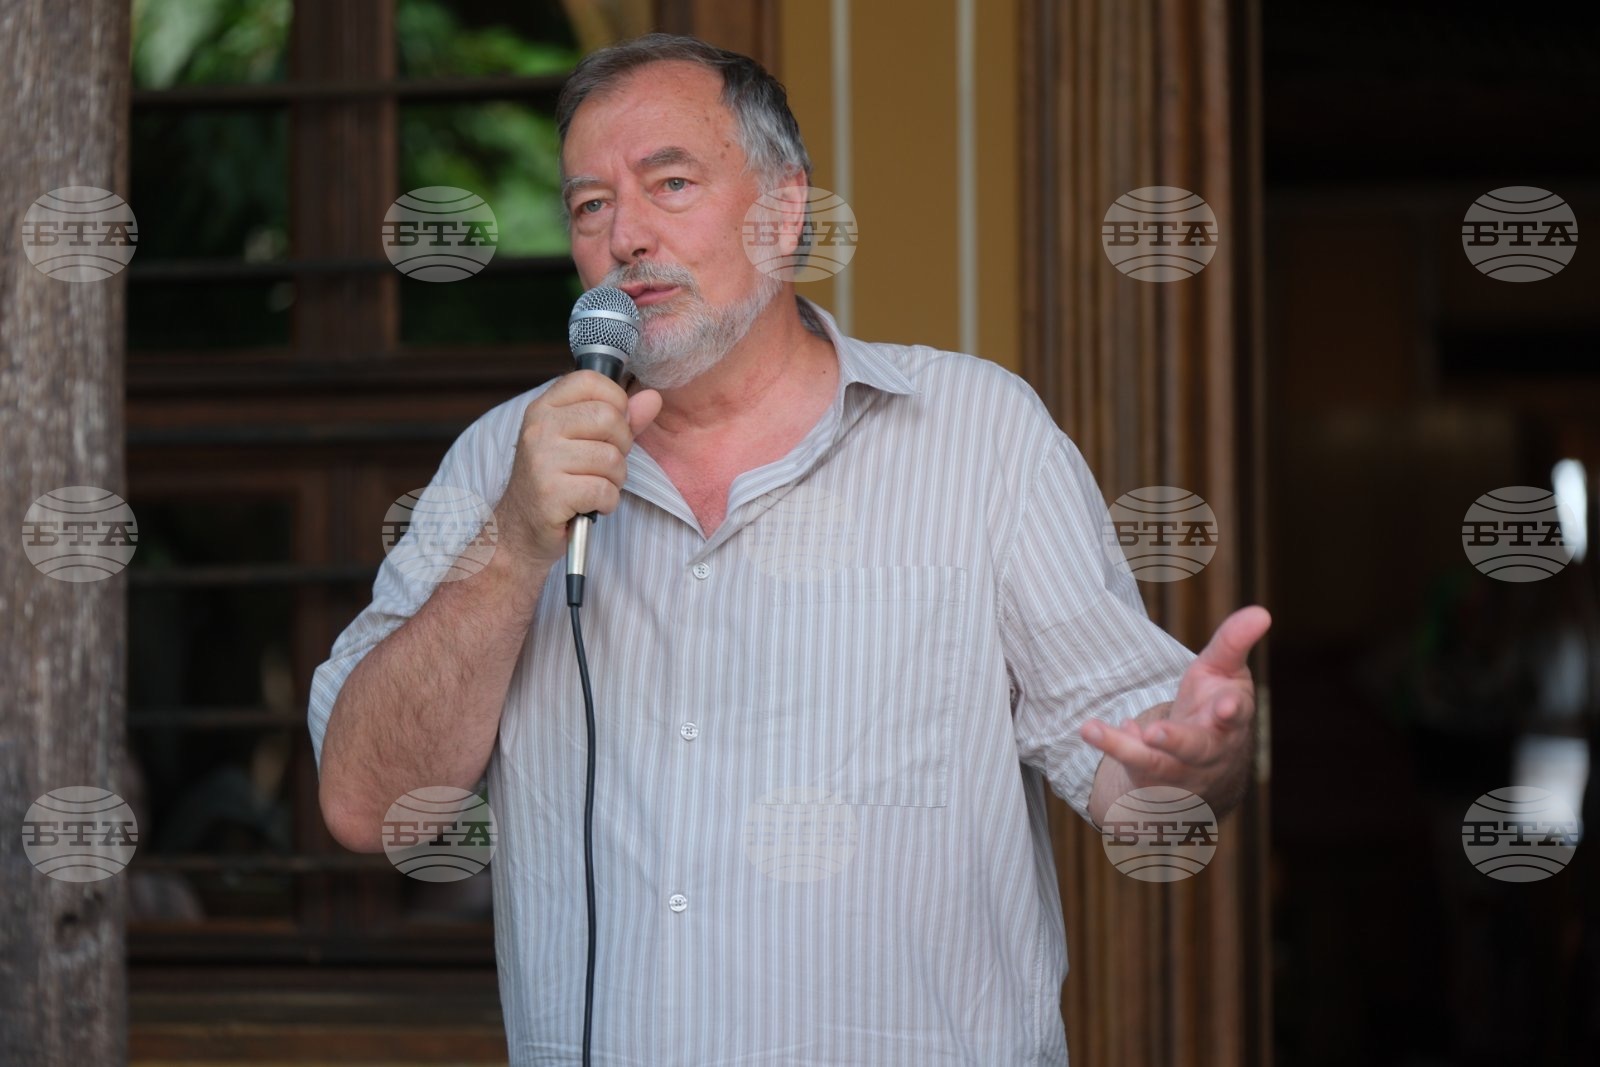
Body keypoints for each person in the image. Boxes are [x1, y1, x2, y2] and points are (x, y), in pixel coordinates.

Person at [308, 32, 1269, 1065]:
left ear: (783, 211)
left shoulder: (980, 435)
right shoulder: (501, 462)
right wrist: (513, 545)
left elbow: (1133, 780)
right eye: (589, 205)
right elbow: (368, 806)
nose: (626, 234)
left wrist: (1198, 760)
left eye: (670, 183)